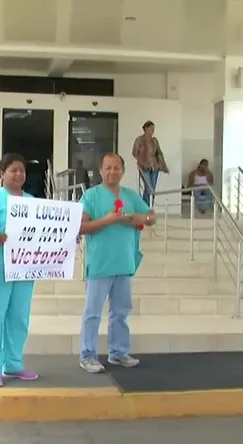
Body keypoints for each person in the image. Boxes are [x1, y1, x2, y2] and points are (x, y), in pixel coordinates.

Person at [78, 153, 155, 373]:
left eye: (116, 168)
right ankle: (88, 355)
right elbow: (82, 227)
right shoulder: (91, 196)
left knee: (121, 311)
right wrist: (108, 220)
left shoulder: (130, 196)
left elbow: (151, 216)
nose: (112, 172)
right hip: (100, 265)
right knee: (92, 313)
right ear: (100, 171)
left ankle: (118, 352)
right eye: (108, 168)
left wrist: (134, 218)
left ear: (123, 171)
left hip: (124, 263)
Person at [0, 153, 39, 387]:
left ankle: (13, 364)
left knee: (18, 317)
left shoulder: (32, 201)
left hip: (25, 268)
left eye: (22, 170)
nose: (18, 174)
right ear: (1, 173)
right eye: (13, 170)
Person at [132, 121, 168, 206]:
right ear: (146, 129)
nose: (153, 130)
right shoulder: (139, 140)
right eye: (151, 128)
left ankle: (147, 206)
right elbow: (134, 153)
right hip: (144, 167)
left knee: (152, 189)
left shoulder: (154, 140)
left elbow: (159, 153)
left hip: (154, 167)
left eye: (153, 129)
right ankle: (145, 207)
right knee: (149, 188)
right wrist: (141, 162)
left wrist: (164, 166)